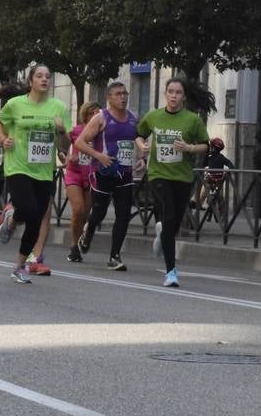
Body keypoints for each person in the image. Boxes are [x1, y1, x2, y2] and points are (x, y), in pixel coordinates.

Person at [0, 63, 71, 283]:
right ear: (31, 81)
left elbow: (66, 143)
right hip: (18, 166)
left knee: (35, 220)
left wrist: (62, 132)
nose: (44, 80)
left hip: (44, 170)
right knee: (28, 208)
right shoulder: (15, 104)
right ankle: (13, 217)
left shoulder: (58, 108)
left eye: (48, 76)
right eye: (39, 76)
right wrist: (2, 139)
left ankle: (19, 266)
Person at [137, 77, 210, 288]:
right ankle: (171, 271)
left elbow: (205, 145)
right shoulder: (154, 116)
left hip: (183, 176)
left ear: (184, 97)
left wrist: (188, 148)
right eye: (170, 92)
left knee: (174, 222)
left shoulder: (192, 120)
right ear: (165, 94)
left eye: (178, 93)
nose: (174, 96)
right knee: (168, 214)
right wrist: (142, 146)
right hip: (159, 174)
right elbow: (139, 134)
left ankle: (163, 232)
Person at [76, 81, 141, 271]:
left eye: (125, 93)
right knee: (99, 212)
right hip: (103, 172)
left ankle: (114, 256)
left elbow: (136, 140)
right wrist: (99, 156)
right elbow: (80, 143)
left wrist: (142, 158)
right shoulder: (100, 118)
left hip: (125, 173)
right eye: (118, 94)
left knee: (123, 215)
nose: (123, 97)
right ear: (109, 98)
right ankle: (87, 233)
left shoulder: (132, 118)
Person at [63, 102, 100, 263]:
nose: (94, 116)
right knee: (78, 209)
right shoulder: (76, 130)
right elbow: (62, 146)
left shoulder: (102, 133)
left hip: (92, 176)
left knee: (85, 214)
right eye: (92, 113)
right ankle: (73, 247)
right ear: (85, 115)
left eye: (97, 113)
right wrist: (66, 157)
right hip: (74, 173)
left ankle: (80, 242)